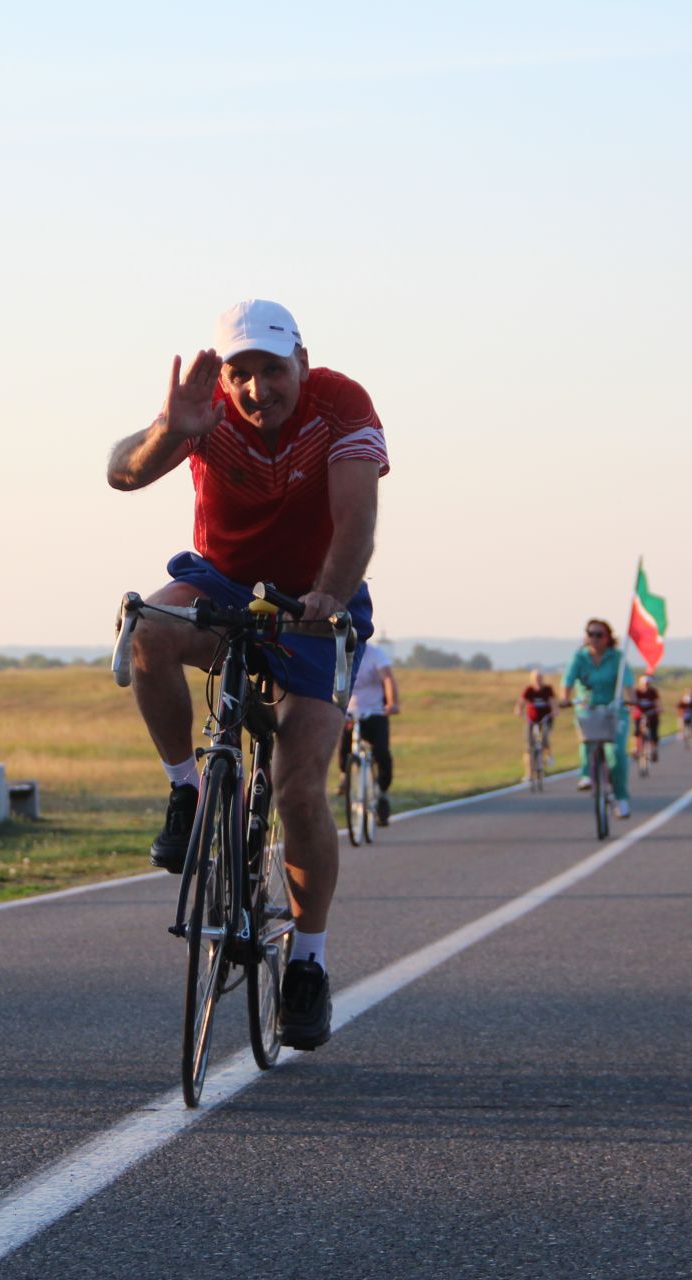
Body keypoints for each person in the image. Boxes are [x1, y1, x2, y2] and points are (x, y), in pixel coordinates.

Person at [106, 299, 387, 1052]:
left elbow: (357, 517)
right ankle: (188, 790)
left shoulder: (340, 402)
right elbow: (120, 474)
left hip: (312, 601)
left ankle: (310, 960)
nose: (258, 389)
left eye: (272, 370)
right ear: (222, 374)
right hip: (223, 582)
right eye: (242, 374)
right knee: (149, 634)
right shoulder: (206, 409)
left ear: (302, 360)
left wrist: (326, 596)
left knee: (299, 788)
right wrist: (174, 428)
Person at [562, 619, 632, 819]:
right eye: (591, 634)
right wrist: (565, 699)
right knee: (587, 742)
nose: (594, 638)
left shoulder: (617, 657)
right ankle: (586, 775)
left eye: (599, 635)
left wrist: (631, 699)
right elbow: (567, 680)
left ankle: (621, 798)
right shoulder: (579, 657)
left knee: (616, 754)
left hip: (613, 710)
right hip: (588, 708)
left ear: (608, 637)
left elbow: (627, 682)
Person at [338, 638, 398, 825]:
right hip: (349, 712)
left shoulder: (375, 654)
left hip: (375, 712)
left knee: (382, 752)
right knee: (343, 751)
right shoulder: (340, 651)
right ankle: (344, 775)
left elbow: (387, 678)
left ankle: (381, 793)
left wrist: (392, 703)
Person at [518, 668, 558, 776]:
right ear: (532, 679)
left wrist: (554, 711)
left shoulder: (547, 689)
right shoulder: (529, 690)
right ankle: (528, 773)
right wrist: (518, 710)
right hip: (532, 720)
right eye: (536, 678)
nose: (538, 680)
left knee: (544, 737)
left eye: (539, 678)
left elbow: (552, 702)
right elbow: (521, 702)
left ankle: (548, 755)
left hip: (545, 718)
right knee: (529, 746)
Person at [629, 673, 661, 761]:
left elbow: (657, 702)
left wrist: (658, 709)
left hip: (651, 714)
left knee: (654, 732)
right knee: (636, 731)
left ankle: (654, 749)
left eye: (647, 684)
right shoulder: (636, 692)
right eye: (644, 684)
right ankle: (635, 748)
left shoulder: (653, 692)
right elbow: (632, 702)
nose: (646, 686)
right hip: (639, 714)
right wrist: (631, 709)